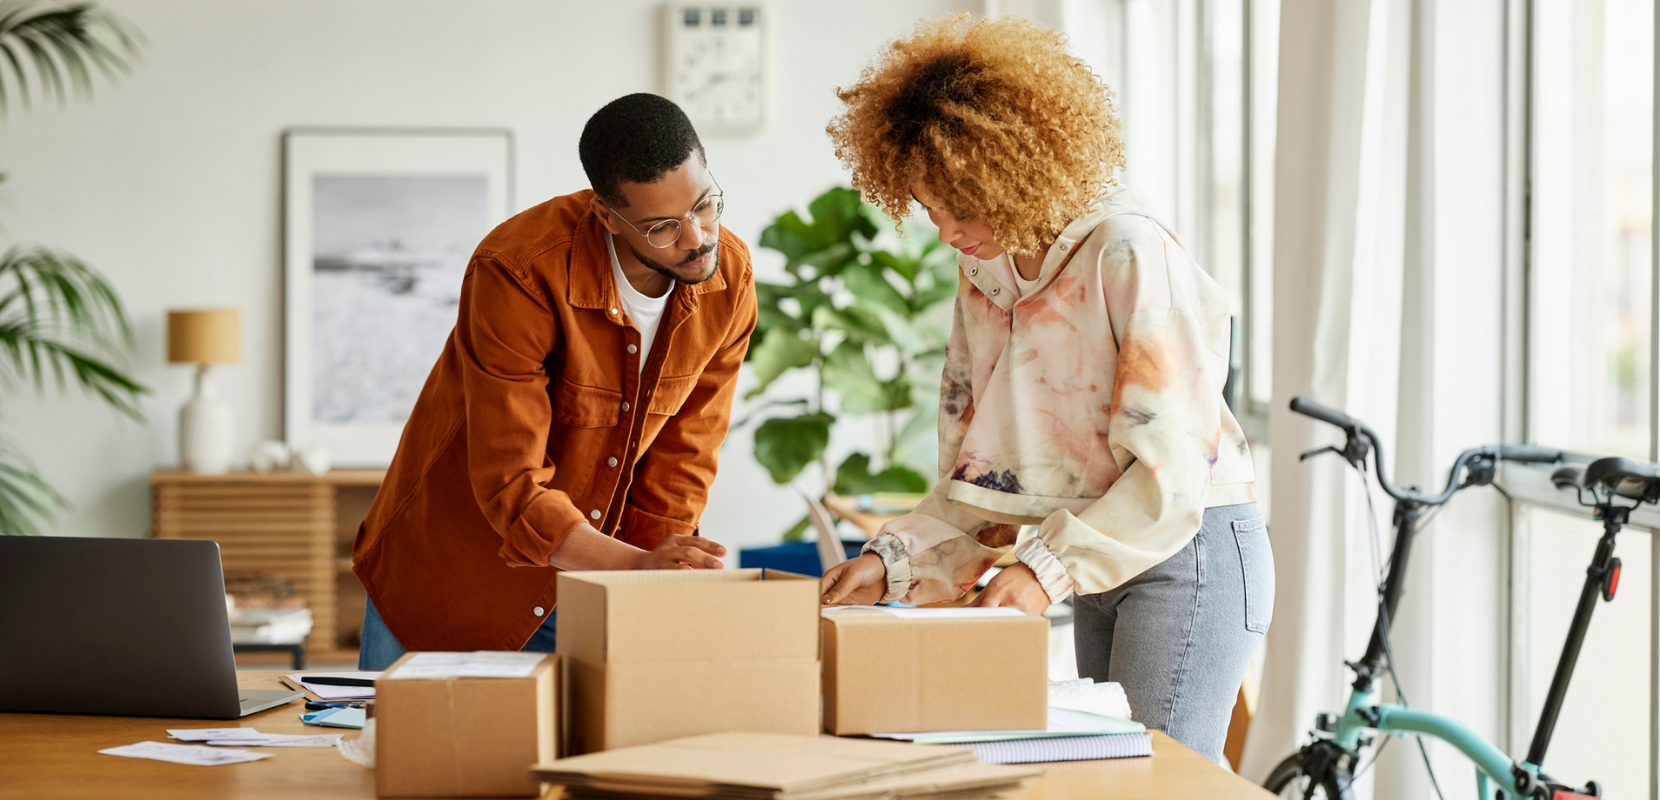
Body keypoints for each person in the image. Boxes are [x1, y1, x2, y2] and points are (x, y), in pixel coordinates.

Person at [817, 15, 1270, 763]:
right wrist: (895, 560)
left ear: (1011, 174)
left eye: (962, 208)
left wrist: (1045, 569)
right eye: (930, 208)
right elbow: (982, 471)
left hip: (1189, 550)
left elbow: (1173, 473)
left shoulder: (1126, 251)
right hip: (1093, 548)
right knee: (1114, 773)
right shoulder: (984, 275)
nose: (946, 232)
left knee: (1164, 780)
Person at [352, 94, 757, 670]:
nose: (695, 237)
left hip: (598, 578)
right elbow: (509, 481)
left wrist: (654, 576)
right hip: (457, 576)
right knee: (412, 756)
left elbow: (685, 458)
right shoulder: (518, 270)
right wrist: (636, 566)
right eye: (662, 226)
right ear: (607, 216)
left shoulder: (730, 279)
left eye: (704, 204)